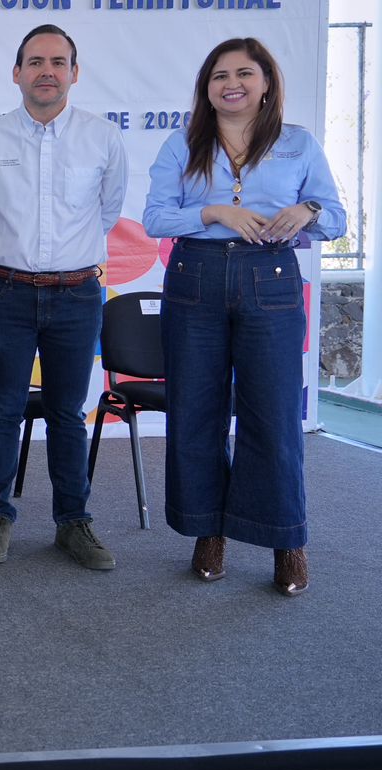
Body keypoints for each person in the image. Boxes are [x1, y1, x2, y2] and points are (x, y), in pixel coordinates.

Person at [142, 38, 345, 595]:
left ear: (266, 84)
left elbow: (335, 218)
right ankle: (208, 532)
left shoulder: (297, 144)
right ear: (206, 89)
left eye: (244, 73)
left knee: (274, 415)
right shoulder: (183, 144)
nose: (231, 83)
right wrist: (213, 211)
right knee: (196, 412)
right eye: (218, 75)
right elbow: (156, 218)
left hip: (271, 280)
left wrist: (309, 209)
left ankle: (286, 540)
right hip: (195, 280)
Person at [0, 24, 127, 570]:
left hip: (78, 294)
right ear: (17, 73)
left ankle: (73, 522)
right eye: (35, 62)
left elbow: (106, 211)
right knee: (3, 409)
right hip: (6, 291)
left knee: (66, 413)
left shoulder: (102, 138)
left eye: (58, 62)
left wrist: (64, 260)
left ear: (75, 73)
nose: (46, 71)